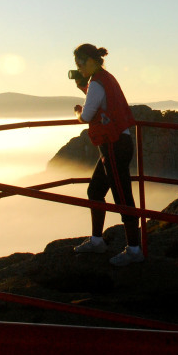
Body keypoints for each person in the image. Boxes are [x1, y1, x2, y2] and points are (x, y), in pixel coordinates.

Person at [70, 43, 144, 266]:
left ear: (92, 60)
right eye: (77, 63)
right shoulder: (104, 79)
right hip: (115, 144)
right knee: (95, 190)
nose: (79, 67)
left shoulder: (97, 83)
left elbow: (87, 115)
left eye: (81, 62)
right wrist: (85, 87)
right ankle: (97, 240)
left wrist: (77, 113)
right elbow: (102, 103)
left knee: (122, 198)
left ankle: (134, 250)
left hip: (114, 145)